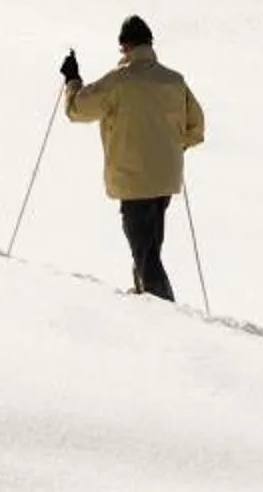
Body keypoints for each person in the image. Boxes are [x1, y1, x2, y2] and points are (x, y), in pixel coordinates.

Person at [61, 16, 205, 300]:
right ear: (149, 43)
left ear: (125, 46)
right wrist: (170, 149)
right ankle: (145, 298)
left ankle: (165, 310)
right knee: (150, 247)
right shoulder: (174, 81)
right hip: (165, 179)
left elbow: (77, 110)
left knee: (145, 253)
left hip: (133, 178)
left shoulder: (118, 81)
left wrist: (72, 80)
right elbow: (196, 127)